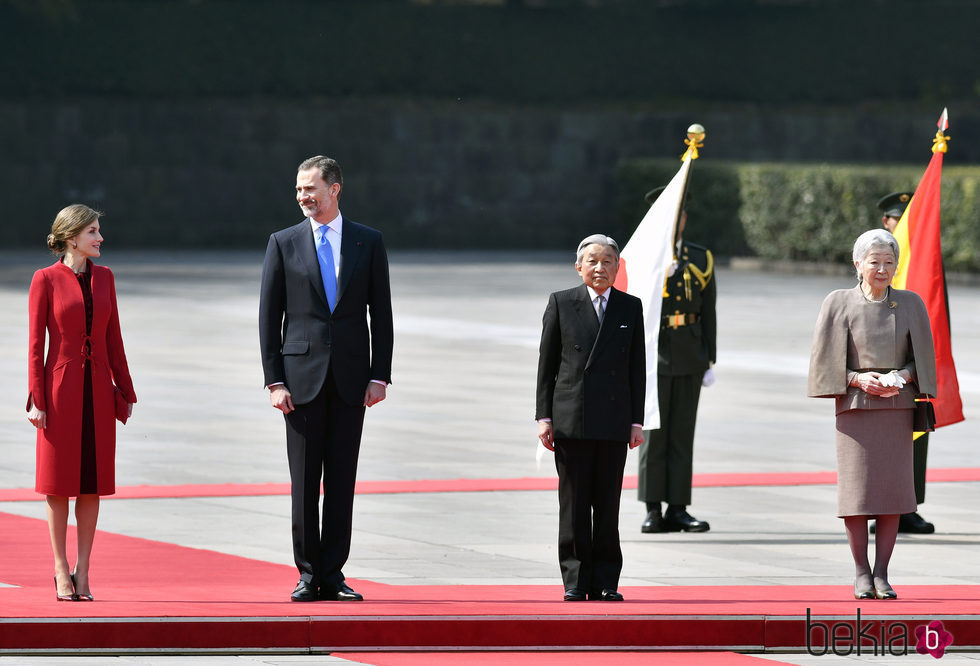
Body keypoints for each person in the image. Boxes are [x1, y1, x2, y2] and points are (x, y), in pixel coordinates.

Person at [259, 155, 393, 602]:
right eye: (298, 189)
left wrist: (380, 376)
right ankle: (306, 572)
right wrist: (274, 381)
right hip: (299, 382)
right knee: (304, 482)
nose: (302, 196)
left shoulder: (367, 242)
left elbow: (383, 315)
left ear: (334, 188)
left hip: (352, 380)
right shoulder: (283, 242)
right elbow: (268, 318)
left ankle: (333, 574)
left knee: (342, 480)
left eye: (310, 188)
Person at [808, 229, 936, 600]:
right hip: (856, 410)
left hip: (896, 408)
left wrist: (901, 376)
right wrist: (858, 379)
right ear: (858, 264)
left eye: (889, 262)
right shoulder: (838, 302)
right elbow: (823, 360)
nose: (882, 269)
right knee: (858, 494)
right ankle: (861, 573)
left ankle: (883, 574)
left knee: (892, 493)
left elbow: (924, 359)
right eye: (874, 261)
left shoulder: (911, 303)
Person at [27, 204, 137, 602]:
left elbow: (115, 339)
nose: (100, 238)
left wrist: (125, 389)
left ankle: (84, 570)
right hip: (59, 394)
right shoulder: (44, 280)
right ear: (72, 237)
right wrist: (36, 400)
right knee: (57, 486)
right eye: (93, 231)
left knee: (91, 484)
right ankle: (60, 568)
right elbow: (36, 346)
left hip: (97, 392)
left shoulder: (106, 278)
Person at [536, 234, 645, 602]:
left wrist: (636, 421)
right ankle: (575, 579)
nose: (600, 268)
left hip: (614, 422)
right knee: (575, 503)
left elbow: (637, 370)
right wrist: (544, 416)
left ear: (618, 267)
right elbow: (547, 366)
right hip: (571, 418)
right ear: (579, 266)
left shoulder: (630, 307)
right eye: (593, 261)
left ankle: (606, 580)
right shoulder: (562, 303)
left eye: (608, 261)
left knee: (607, 504)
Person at [637, 186, 715, 533]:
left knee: (682, 434)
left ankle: (678, 507)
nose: (675, 220)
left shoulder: (700, 258)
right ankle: (653, 508)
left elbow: (708, 311)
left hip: (689, 354)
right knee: (654, 434)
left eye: (680, 214)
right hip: (654, 353)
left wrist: (709, 357)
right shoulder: (641, 255)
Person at [873, 191, 936, 535]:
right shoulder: (872, 255)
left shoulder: (920, 255)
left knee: (915, 434)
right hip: (877, 367)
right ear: (887, 222)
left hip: (910, 365)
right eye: (901, 219)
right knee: (876, 443)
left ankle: (908, 507)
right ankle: (876, 506)